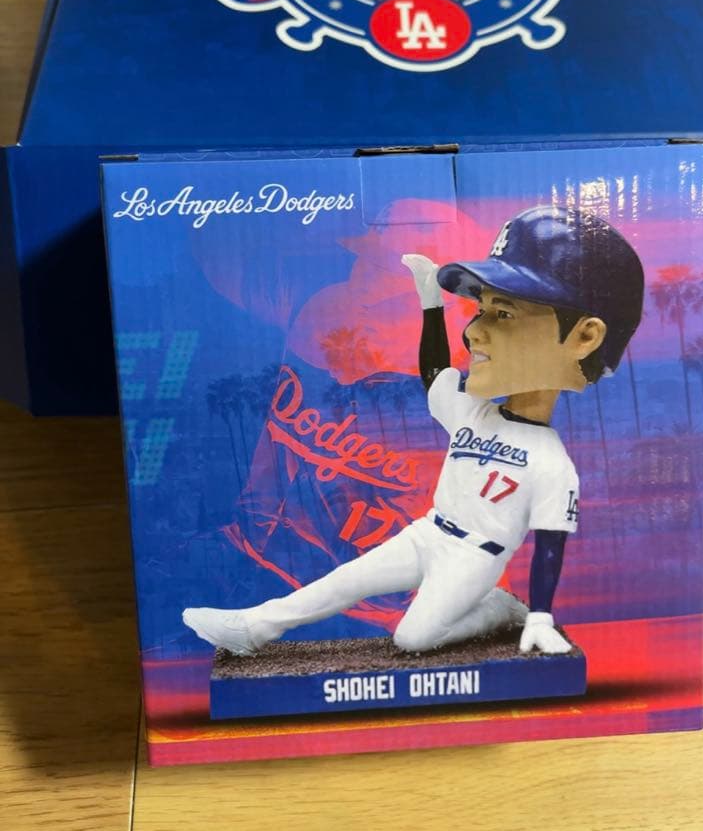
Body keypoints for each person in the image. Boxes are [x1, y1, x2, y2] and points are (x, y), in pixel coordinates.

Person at [183, 205, 644, 656]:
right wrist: (430, 302)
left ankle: (498, 609)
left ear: (585, 338)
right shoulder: (470, 411)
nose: (474, 331)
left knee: (413, 638)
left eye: (503, 313)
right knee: (343, 581)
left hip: (475, 556)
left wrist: (539, 616)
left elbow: (549, 546)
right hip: (427, 533)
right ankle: (251, 627)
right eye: (480, 308)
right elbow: (436, 374)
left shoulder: (551, 461)